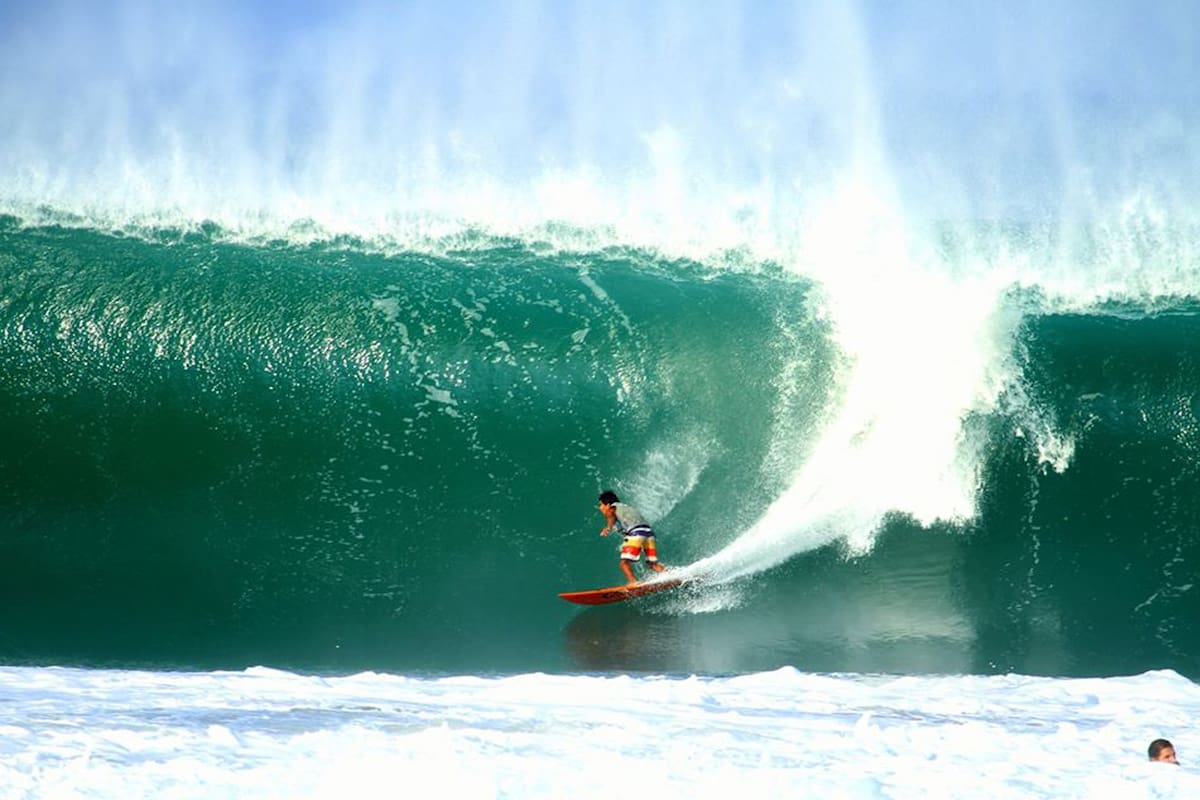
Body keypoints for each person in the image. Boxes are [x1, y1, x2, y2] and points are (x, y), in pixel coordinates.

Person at [598, 490, 666, 586]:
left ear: (608, 505)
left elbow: (610, 516)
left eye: (601, 505)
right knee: (652, 564)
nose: (600, 508)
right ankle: (669, 575)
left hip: (637, 533)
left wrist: (608, 528)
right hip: (649, 533)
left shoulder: (612, 508)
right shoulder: (625, 507)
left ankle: (633, 582)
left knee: (623, 563)